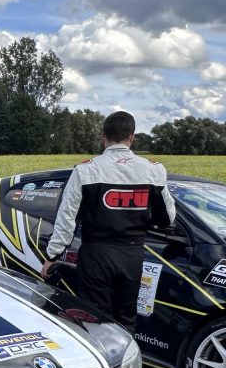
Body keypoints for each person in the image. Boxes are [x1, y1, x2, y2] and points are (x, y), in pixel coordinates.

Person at [41, 111, 175, 332]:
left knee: (93, 320)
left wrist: (52, 256)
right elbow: (167, 218)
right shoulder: (154, 170)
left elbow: (67, 219)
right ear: (131, 137)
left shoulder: (86, 169)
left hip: (96, 255)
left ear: (103, 137)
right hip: (132, 255)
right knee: (126, 321)